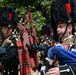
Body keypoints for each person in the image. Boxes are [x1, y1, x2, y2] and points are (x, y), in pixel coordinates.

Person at [45, 0, 76, 75]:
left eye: (61, 27)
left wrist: (62, 71)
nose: (57, 30)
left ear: (69, 28)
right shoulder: (59, 45)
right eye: (57, 27)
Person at [0, 6, 19, 75]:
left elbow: (12, 53)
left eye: (4, 28)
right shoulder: (4, 39)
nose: (2, 30)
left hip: (11, 70)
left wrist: (1, 60)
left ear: (10, 29)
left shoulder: (15, 39)